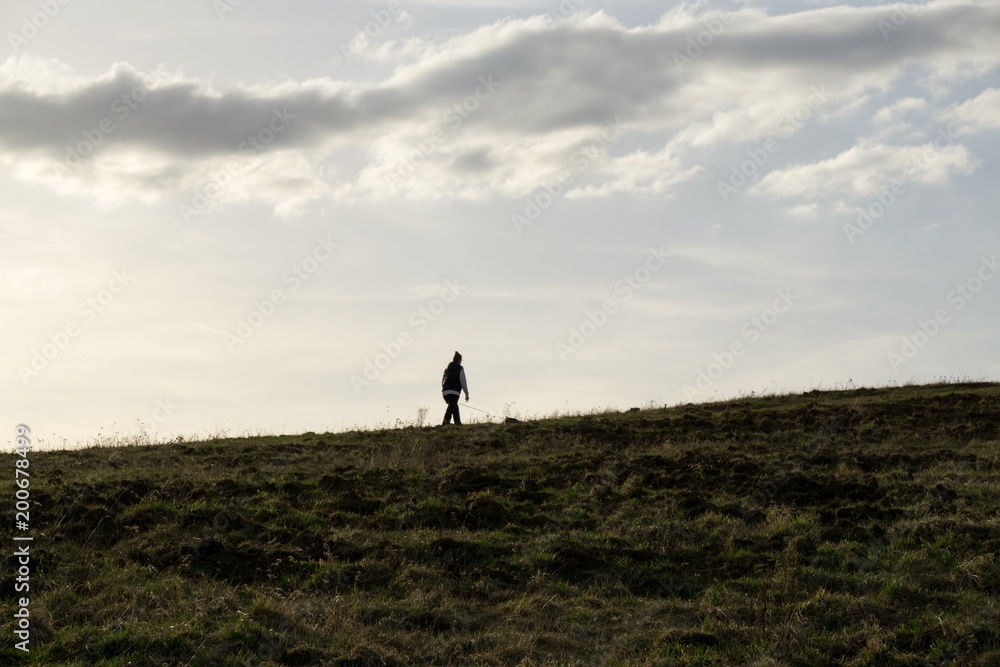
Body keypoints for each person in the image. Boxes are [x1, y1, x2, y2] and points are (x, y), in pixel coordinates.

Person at [441, 351, 469, 425]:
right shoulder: (460, 369)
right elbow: (463, 382)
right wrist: (466, 394)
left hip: (445, 392)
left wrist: (444, 389)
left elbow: (443, 381)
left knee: (453, 405)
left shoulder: (447, 369)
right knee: (452, 405)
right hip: (455, 392)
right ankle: (446, 421)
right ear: (459, 360)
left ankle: (457, 422)